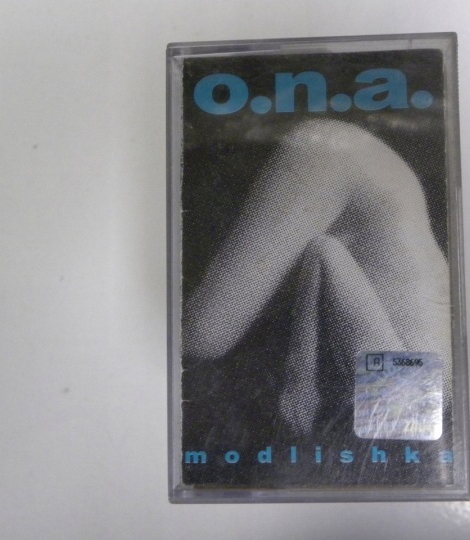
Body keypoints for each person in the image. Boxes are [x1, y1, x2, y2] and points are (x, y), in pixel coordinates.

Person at [182, 118, 451, 437]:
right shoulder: (406, 403)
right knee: (203, 338)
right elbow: (325, 252)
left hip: (416, 386)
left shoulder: (334, 152)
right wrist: (301, 380)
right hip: (418, 384)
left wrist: (301, 382)